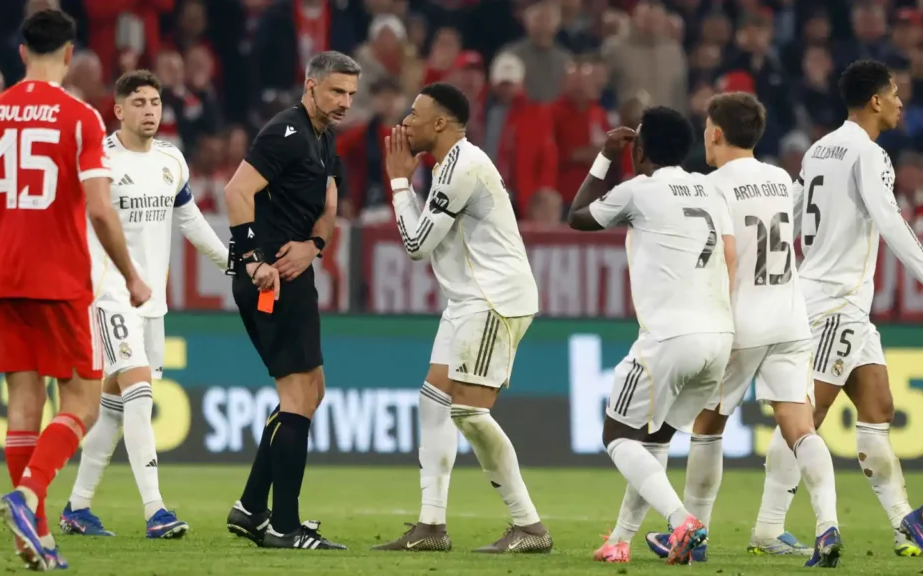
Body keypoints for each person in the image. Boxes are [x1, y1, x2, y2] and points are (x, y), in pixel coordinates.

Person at [0, 9, 150, 572]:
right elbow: (101, 210)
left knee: (23, 405)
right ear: (68, 54)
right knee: (81, 401)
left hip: (5, 280)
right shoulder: (80, 118)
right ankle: (30, 494)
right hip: (59, 279)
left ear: (21, 54)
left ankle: (33, 538)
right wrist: (131, 275)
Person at [631, 93, 841, 568]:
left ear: (716, 134)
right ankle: (827, 524)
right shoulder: (779, 178)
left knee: (708, 425)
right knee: (800, 427)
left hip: (740, 320)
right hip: (789, 315)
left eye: (707, 129)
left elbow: (723, 258)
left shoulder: (710, 187)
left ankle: (694, 536)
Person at [751, 58, 923, 557]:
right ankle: (768, 527)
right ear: (875, 100)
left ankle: (903, 525)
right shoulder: (870, 154)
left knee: (878, 409)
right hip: (835, 301)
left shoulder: (819, 149)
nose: (900, 102)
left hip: (839, 300)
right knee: (808, 413)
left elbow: (793, 215)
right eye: (894, 93)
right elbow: (890, 220)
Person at [374, 82, 552, 554]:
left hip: (493, 299)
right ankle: (431, 525)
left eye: (414, 114)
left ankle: (530, 526)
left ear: (440, 123)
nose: (405, 122)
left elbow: (417, 245)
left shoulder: (462, 167)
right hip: (466, 301)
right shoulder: (448, 165)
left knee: (469, 413)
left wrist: (398, 182)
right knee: (434, 401)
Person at [59, 70, 228, 539]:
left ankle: (77, 508)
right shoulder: (100, 162)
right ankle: (156, 510)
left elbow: (191, 222)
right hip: (109, 293)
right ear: (118, 110)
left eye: (155, 102)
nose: (150, 110)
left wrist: (233, 263)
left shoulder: (172, 160)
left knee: (114, 406)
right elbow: (71, 221)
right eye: (139, 103)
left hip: (152, 300)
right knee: (139, 393)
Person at [567, 107, 736, 565]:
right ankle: (620, 540)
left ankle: (682, 521)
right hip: (719, 336)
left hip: (669, 338)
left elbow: (577, 216)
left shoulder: (639, 190)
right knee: (655, 439)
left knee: (618, 436)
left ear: (638, 150)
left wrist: (605, 156)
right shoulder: (710, 189)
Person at [221, 50, 357, 550]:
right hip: (270, 279)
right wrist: (253, 260)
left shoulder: (323, 137)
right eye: (337, 91)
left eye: (351, 94)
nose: (345, 102)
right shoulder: (286, 131)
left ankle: (251, 507)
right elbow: (237, 192)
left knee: (311, 391)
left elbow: (329, 203)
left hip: (294, 271)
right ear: (311, 85)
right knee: (297, 396)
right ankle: (284, 525)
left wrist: (314, 244)